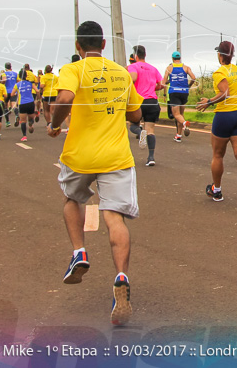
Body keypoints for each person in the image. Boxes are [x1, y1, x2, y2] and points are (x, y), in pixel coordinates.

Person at [48, 21, 144, 326]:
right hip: (116, 156)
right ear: (104, 45)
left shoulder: (73, 70)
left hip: (79, 155)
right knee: (114, 216)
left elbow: (64, 99)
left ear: (78, 47)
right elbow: (136, 115)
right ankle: (121, 276)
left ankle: (79, 252)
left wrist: (54, 124)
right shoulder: (121, 72)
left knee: (71, 199)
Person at [197, 40, 237, 201]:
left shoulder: (219, 72)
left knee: (217, 155)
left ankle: (216, 190)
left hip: (225, 115)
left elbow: (225, 93)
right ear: (231, 55)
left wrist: (209, 101)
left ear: (220, 55)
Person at [128, 46, 164, 167]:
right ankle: (151, 158)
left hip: (139, 101)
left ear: (135, 56)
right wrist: (152, 88)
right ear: (145, 55)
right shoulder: (153, 68)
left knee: (133, 125)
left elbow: (133, 78)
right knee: (151, 130)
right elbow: (161, 84)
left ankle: (140, 131)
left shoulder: (133, 66)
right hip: (152, 102)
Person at [161, 51, 197, 142]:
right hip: (184, 92)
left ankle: (184, 123)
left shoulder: (169, 68)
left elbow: (164, 81)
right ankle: (178, 135)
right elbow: (193, 77)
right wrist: (189, 85)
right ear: (179, 58)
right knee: (180, 114)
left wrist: (167, 85)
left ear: (172, 59)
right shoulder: (186, 67)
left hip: (174, 92)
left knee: (176, 114)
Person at [13, 71, 40, 142]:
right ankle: (31, 124)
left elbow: (12, 94)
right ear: (26, 76)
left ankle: (24, 136)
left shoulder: (17, 84)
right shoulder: (30, 83)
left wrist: (17, 93)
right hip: (30, 102)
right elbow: (37, 91)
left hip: (22, 103)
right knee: (31, 117)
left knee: (23, 121)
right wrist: (39, 98)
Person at [3, 62, 19, 127]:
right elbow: (18, 82)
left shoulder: (4, 74)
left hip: (6, 91)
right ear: (11, 67)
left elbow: (4, 80)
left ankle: (7, 121)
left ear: (5, 67)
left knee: (5, 105)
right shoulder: (15, 74)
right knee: (14, 105)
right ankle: (17, 115)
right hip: (13, 91)